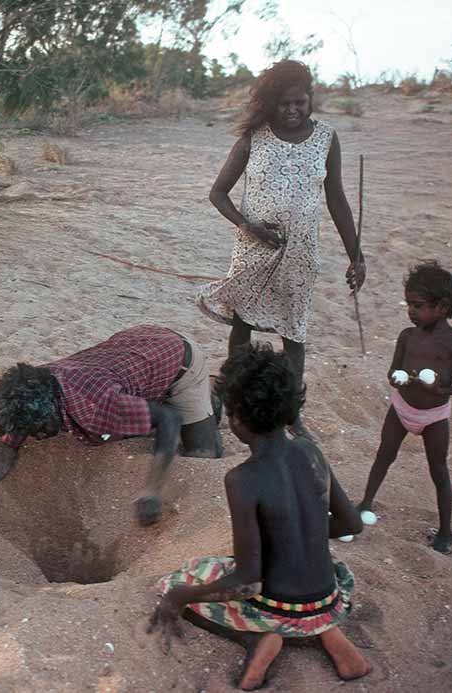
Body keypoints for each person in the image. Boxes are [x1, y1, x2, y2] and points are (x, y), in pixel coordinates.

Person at [147, 343, 370, 690]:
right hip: (328, 598)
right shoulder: (310, 451)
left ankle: (257, 639)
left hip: (279, 607)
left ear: (236, 418)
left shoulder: (243, 479)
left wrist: (180, 597)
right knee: (310, 577)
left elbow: (248, 582)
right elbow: (351, 524)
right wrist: (298, 535)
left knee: (181, 581)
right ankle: (328, 633)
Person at [196, 59, 365, 440]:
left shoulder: (326, 139)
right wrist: (248, 226)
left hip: (301, 252)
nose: (292, 110)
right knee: (242, 325)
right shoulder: (254, 138)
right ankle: (232, 400)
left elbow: (337, 201)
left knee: (294, 331)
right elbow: (218, 193)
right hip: (253, 249)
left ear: (310, 98)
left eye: (299, 102)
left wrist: (356, 255)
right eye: (284, 103)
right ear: (272, 103)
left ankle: (290, 415)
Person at [0, 325, 224, 526]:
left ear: (52, 412)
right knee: (121, 424)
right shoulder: (34, 387)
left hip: (177, 358)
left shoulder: (97, 407)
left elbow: (169, 419)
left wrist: (152, 489)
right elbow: (6, 446)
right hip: (134, 351)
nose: (35, 438)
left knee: (202, 454)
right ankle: (168, 400)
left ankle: (209, 399)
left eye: (37, 432)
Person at [357, 261, 452, 555]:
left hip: (434, 416)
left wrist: (441, 391)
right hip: (401, 408)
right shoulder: (407, 336)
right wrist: (397, 379)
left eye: (418, 305)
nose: (410, 311)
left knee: (438, 470)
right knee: (384, 455)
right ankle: (365, 502)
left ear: (442, 306)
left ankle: (445, 531)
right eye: (409, 304)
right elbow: (393, 371)